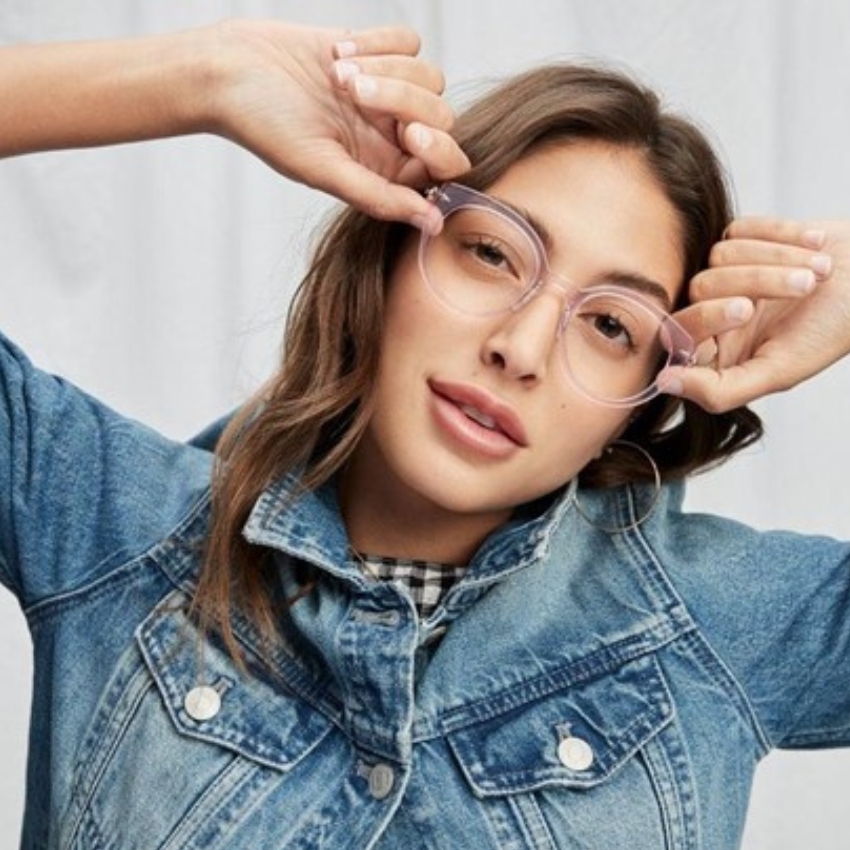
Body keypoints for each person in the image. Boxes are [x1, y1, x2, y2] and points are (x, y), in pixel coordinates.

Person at [1, 18, 849, 850]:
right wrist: (203, 76)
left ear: (639, 402)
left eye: (612, 327)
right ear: (392, 254)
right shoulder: (112, 527)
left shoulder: (717, 621)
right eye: (491, 254)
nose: (518, 349)